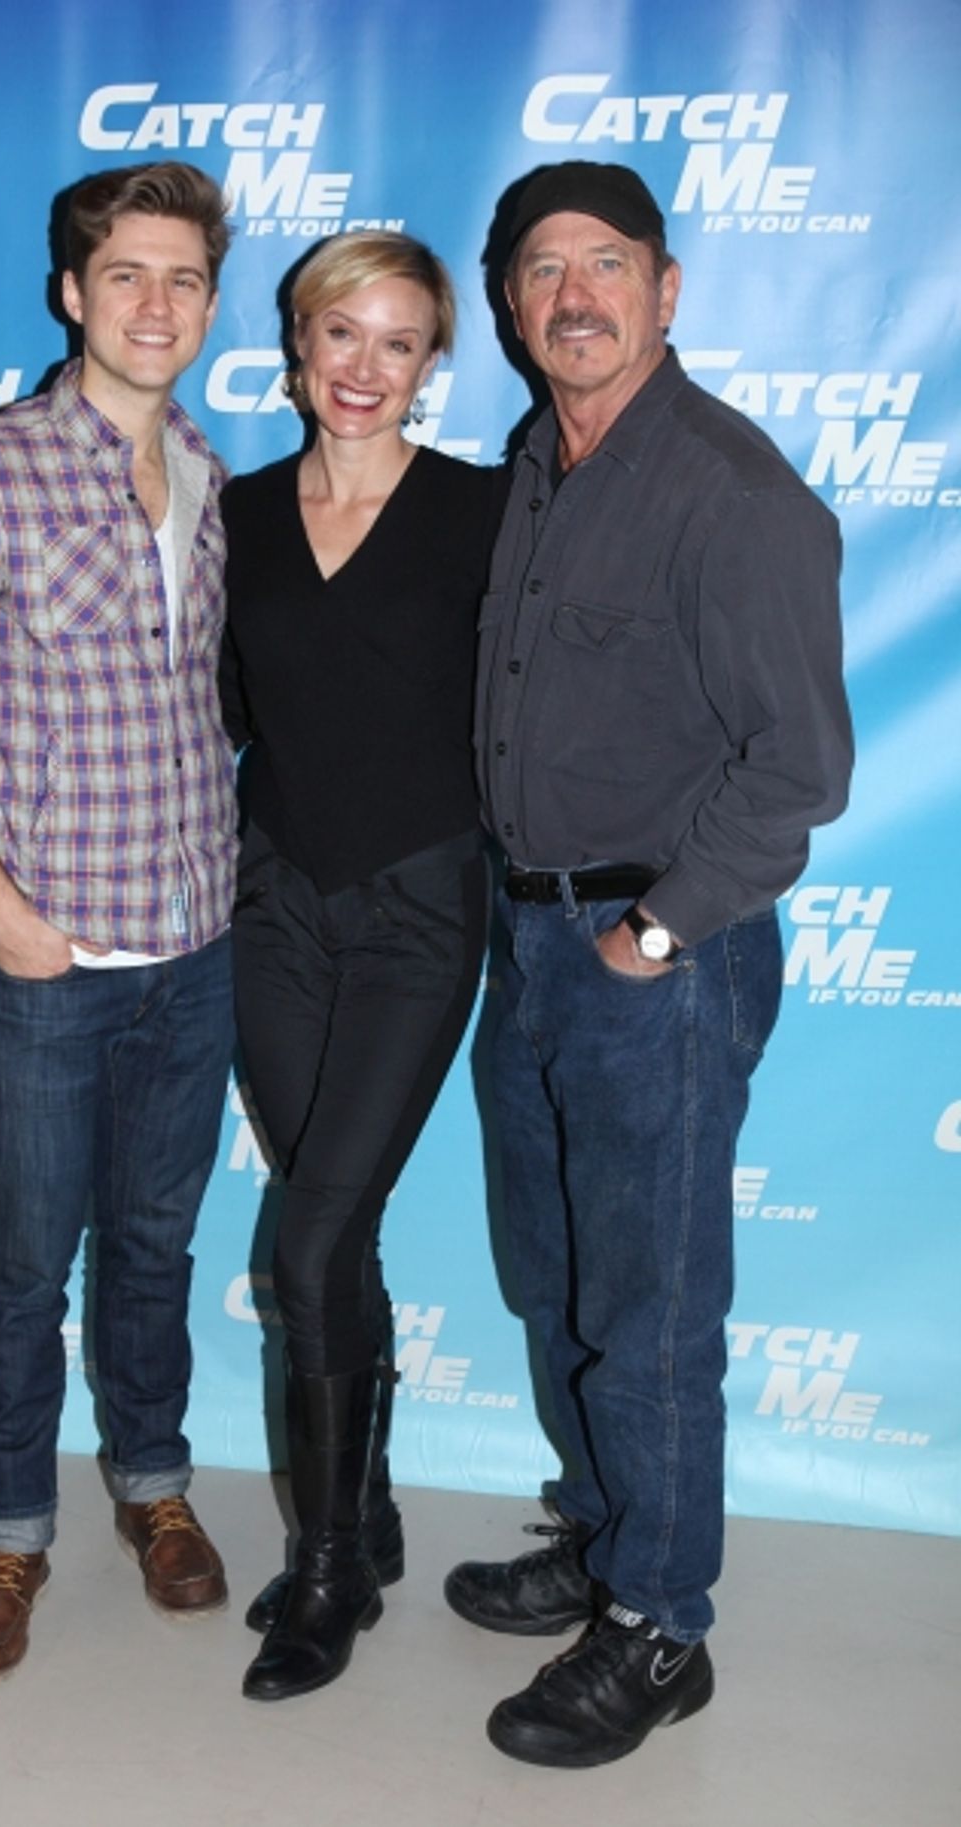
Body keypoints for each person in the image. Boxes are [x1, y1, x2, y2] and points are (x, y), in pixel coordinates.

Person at [445, 161, 853, 1767]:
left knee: (653, 1309)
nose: (571, 294)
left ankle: (661, 1624)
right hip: (527, 939)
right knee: (554, 1283)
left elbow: (796, 770)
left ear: (666, 289)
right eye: (539, 269)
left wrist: (653, 934)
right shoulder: (539, 462)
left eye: (603, 262)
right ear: (511, 305)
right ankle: (606, 1535)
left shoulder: (733, 493)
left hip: (652, 965)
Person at [0, 162, 239, 1681]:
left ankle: (156, 1493)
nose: (159, 305)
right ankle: (10, 1535)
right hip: (39, 967)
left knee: (153, 1249)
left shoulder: (207, 474)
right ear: (71, 294)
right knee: (22, 1263)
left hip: (193, 953)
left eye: (187, 280)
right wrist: (0, 909)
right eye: (128, 275)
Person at [219, 231, 504, 1702]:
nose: (366, 368)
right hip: (270, 903)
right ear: (300, 342)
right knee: (335, 1237)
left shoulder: (485, 510)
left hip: (417, 909)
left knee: (314, 1240)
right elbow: (203, 707)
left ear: (430, 364)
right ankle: (368, 1515)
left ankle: (327, 1575)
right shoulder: (238, 512)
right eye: (346, 334)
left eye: (399, 343)